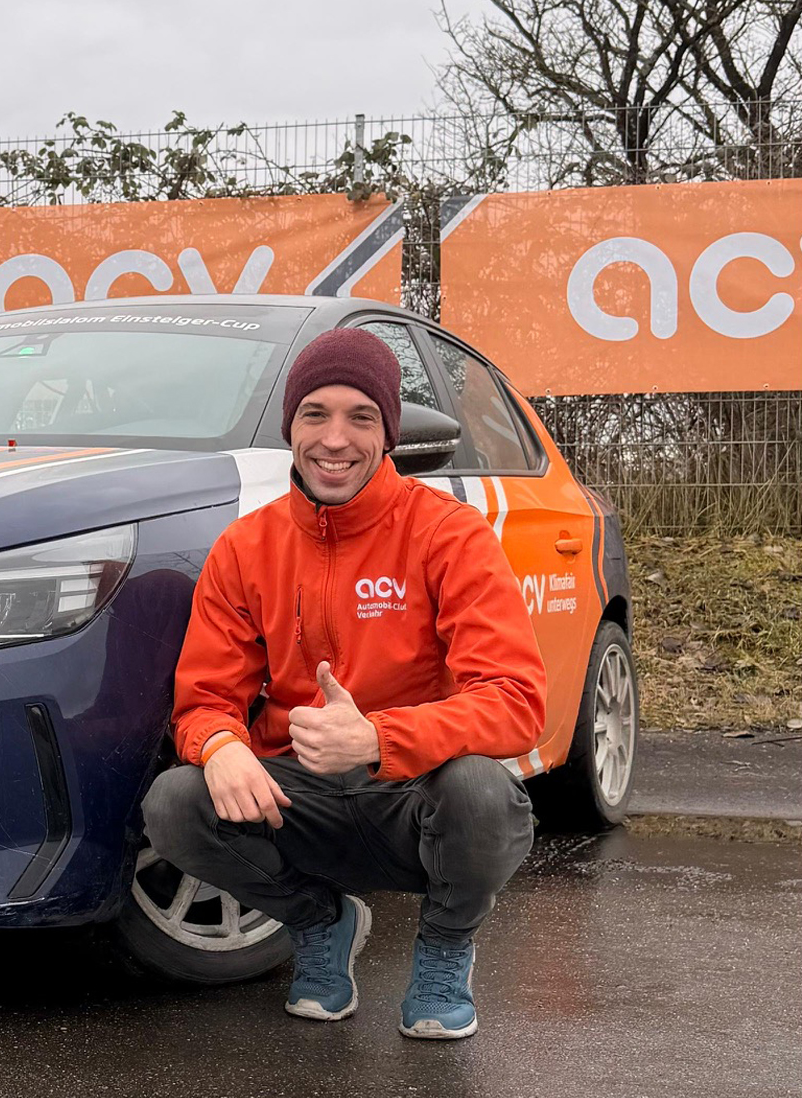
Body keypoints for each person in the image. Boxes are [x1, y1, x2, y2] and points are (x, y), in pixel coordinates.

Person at [141, 327, 546, 1040]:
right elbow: (204, 699)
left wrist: (377, 738)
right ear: (290, 428)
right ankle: (320, 922)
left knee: (483, 792)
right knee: (175, 802)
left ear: (388, 433)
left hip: (416, 795)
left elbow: (516, 702)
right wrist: (220, 746)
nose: (335, 439)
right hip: (299, 800)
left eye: (361, 417)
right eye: (315, 414)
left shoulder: (450, 535)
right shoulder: (244, 546)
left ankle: (445, 947)